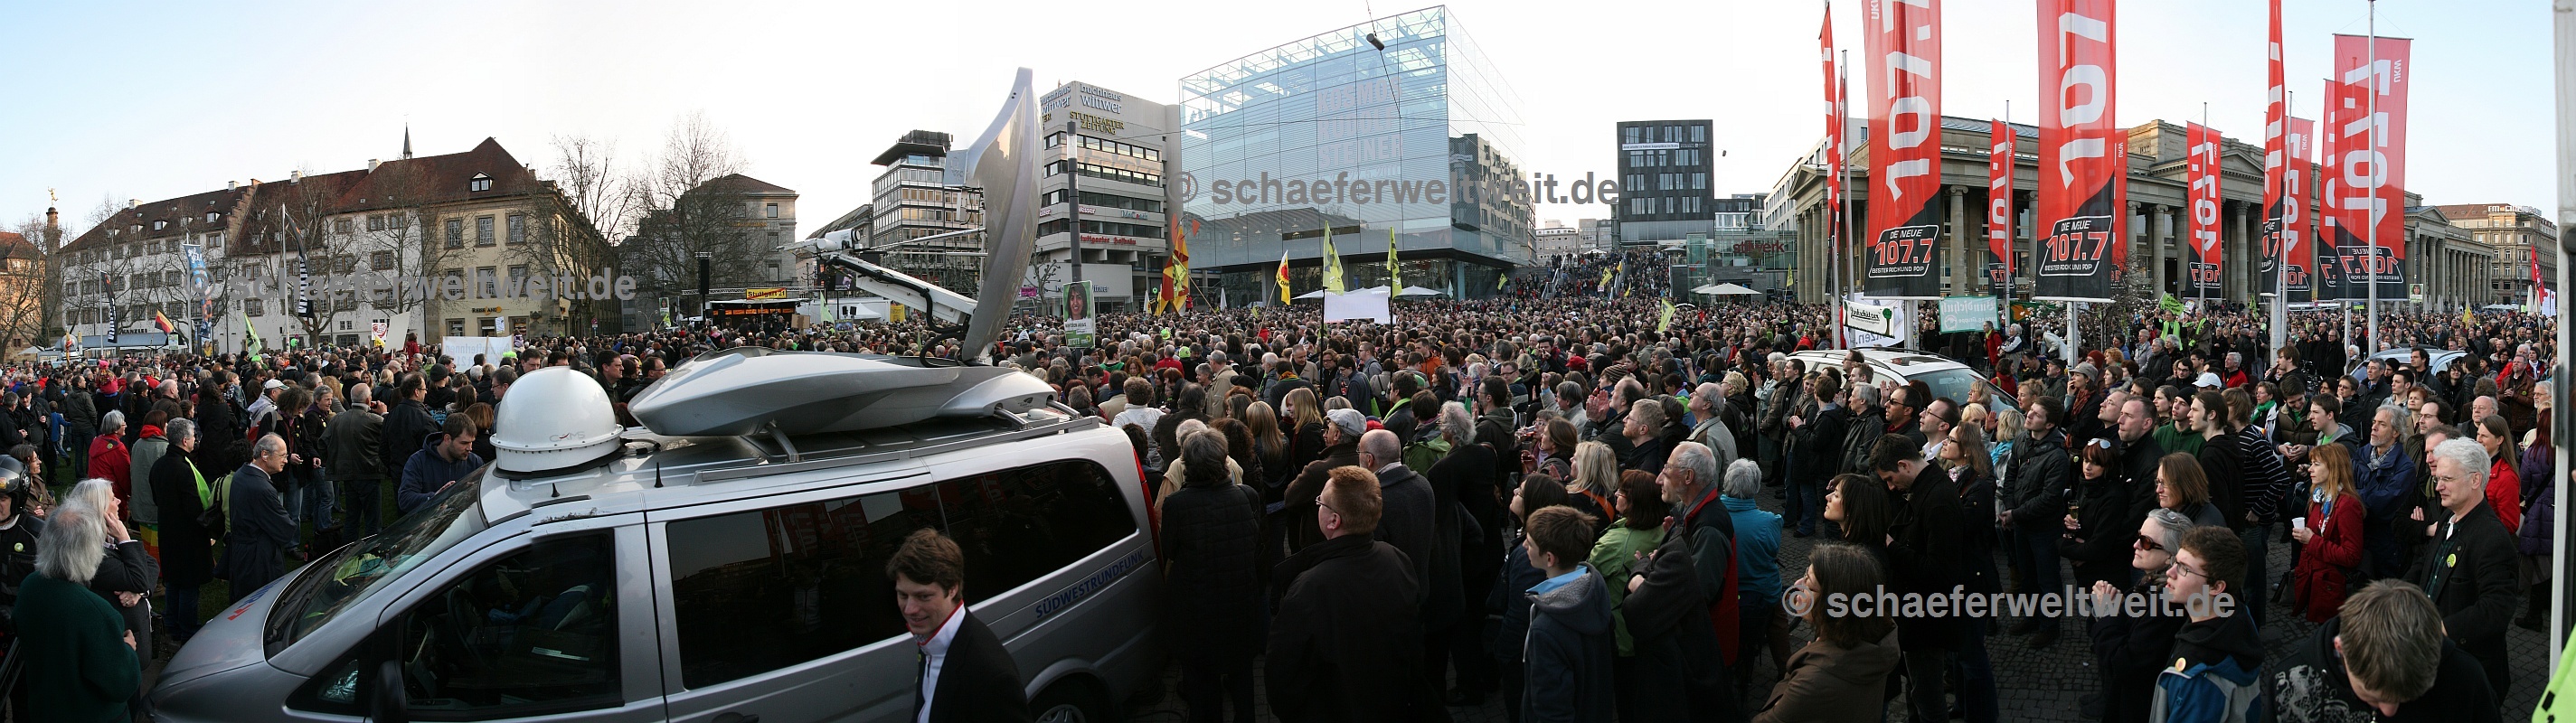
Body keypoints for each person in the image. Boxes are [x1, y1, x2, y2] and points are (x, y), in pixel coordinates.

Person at [1268, 466, 1423, 722]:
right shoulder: (1398, 559)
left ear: (1334, 521)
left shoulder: (1309, 588)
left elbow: (1282, 679)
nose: (1317, 505)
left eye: (1320, 502)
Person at [2266, 580, 2503, 723]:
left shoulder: (2464, 677)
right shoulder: (2290, 686)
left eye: (2408, 696)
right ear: (2342, 648)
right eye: (2372, 695)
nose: (2390, 711)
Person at [2401, 437, 2522, 700]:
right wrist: (2397, 595)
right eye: (2438, 479)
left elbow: (2497, 608)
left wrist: (2440, 629)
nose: (2439, 487)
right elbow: (2426, 564)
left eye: (2447, 479)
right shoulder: (2448, 517)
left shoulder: (2493, 539)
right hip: (2434, 662)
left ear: (2475, 480)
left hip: (2466, 677)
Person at [1161, 430, 1262, 723]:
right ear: (1223, 460)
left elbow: (1170, 550)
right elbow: (1254, 542)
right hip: (1240, 604)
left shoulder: (1176, 504)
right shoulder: (1247, 495)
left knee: (1203, 687)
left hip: (1196, 610)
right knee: (1242, 679)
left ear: (1186, 464)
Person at [14, 501, 138, 722]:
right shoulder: (97, 612)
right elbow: (121, 685)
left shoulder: (29, 587)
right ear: (88, 551)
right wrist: (127, 650)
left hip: (44, 710)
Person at [891, 528, 1032, 723]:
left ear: (952, 588)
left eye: (923, 596)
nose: (909, 609)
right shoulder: (931, 639)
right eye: (903, 595)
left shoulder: (991, 674)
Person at [1872, 434, 1967, 722]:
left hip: (1927, 620)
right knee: (1917, 691)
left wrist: (1892, 548)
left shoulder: (1938, 500)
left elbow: (1941, 573)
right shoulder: (1927, 487)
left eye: (1890, 479)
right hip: (1917, 616)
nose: (1890, 487)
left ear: (1904, 465)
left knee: (1927, 698)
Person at [1753, 542, 1902, 723]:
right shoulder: (1873, 646)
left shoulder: (1811, 681)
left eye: (1809, 584)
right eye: (1804, 574)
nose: (1797, 584)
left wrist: (1798, 669)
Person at [2148, 525, 2263, 723]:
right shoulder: (2237, 615)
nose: (2170, 572)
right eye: (2175, 562)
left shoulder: (2199, 678)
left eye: (2184, 568)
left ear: (2216, 587)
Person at [2089, 508, 2194, 723]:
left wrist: (2108, 613)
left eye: (2146, 542)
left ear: (2170, 557)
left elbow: (2124, 664)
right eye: (2139, 536)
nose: (2136, 545)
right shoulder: (2150, 585)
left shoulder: (2167, 605)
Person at [1520, 504, 1616, 722]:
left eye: (1530, 543)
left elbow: (1552, 709)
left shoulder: (1546, 630)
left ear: (1550, 558)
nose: (1524, 545)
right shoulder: (1595, 592)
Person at [1493, 473, 1572, 723]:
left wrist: (1503, 653)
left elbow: (1520, 614)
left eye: (1521, 492)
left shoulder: (1531, 557)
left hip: (1522, 658)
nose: (1514, 493)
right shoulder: (1531, 543)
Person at [1587, 470, 1664, 718]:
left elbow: (1589, 574)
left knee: (1626, 699)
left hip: (1622, 637)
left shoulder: (1615, 544)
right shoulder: (1662, 530)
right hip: (1652, 634)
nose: (1616, 494)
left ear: (1634, 502)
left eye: (1621, 492)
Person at [2002, 396, 2071, 646]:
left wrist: (2015, 513)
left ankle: (2049, 626)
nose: (2029, 415)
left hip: (2044, 528)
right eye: (2031, 410)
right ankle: (2031, 617)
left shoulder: (2057, 457)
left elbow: (2049, 499)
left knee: (2047, 578)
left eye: (2037, 414)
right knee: (2026, 574)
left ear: (2049, 424)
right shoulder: (2022, 439)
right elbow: (2011, 475)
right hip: (2021, 522)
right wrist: (2010, 507)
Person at [1718, 458, 1788, 679]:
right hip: (1763, 593)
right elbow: (1772, 551)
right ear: (1756, 487)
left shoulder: (1714, 516)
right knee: (1778, 623)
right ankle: (1786, 672)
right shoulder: (1770, 521)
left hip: (1726, 592)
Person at [149, 418, 213, 643]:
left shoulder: (159, 465)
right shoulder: (183, 469)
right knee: (187, 584)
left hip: (167, 531)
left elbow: (156, 498)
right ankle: (187, 629)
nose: (196, 440)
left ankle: (171, 625)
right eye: (194, 436)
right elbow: (193, 507)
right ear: (185, 440)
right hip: (187, 536)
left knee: (173, 581)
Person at [2288, 443, 2365, 624]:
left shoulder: (2347, 505)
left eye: (2317, 464)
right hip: (2316, 580)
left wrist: (2311, 541)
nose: (2310, 469)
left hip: (2332, 587)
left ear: (2333, 468)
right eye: (2311, 464)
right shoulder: (2318, 497)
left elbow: (2352, 556)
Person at [221, 434, 297, 603]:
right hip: (258, 561)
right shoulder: (261, 488)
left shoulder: (242, 474)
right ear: (264, 455)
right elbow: (285, 530)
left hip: (242, 555)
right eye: (282, 455)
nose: (286, 460)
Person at [1281, 408, 1365, 552]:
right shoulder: (1368, 464)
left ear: (1337, 434)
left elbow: (1290, 499)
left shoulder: (1317, 470)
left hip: (1321, 547)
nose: (1324, 434)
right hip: (1359, 545)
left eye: (1329, 429)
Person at [325, 384, 388, 538]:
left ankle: (348, 548)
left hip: (347, 474)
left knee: (352, 518)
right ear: (368, 400)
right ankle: (371, 549)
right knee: (373, 520)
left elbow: (323, 443)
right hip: (369, 472)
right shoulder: (375, 420)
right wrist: (385, 413)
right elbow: (392, 432)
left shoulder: (338, 419)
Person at [397, 416, 484, 516]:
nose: (470, 448)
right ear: (447, 439)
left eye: (471, 442)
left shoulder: (475, 462)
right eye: (464, 443)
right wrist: (436, 497)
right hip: (428, 523)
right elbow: (405, 499)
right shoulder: (418, 461)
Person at [87, 410, 131, 514]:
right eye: (123, 424)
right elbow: (124, 476)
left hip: (95, 492)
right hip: (113, 494)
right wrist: (130, 492)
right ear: (116, 428)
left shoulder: (97, 441)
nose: (126, 426)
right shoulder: (118, 449)